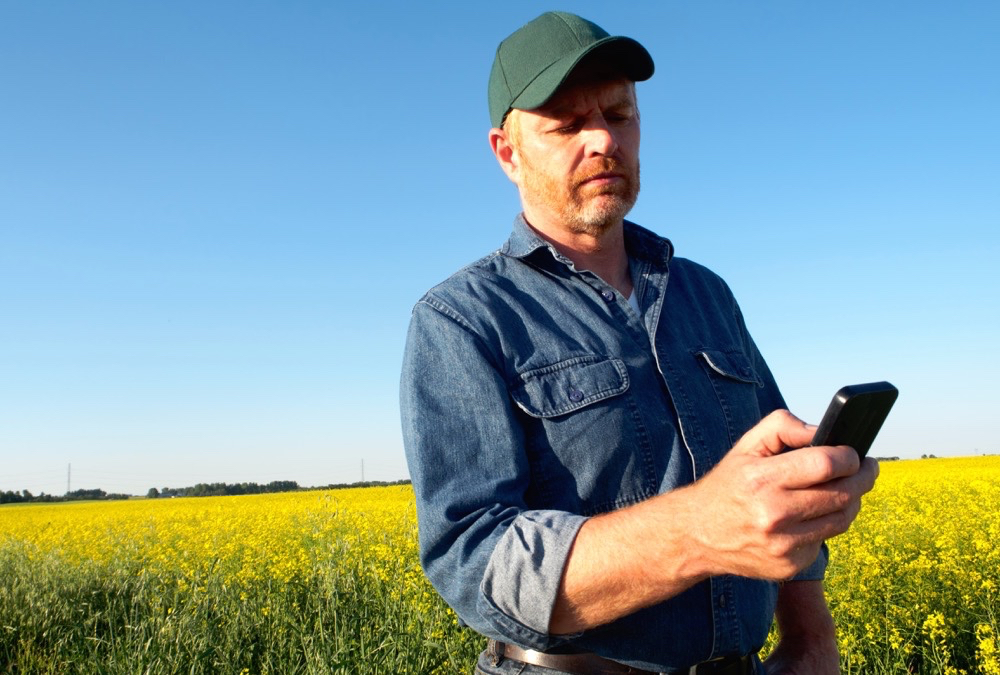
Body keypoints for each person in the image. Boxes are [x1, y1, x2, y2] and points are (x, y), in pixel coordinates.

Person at [400, 11, 879, 675]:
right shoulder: (460, 319)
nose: (602, 138)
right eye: (567, 123)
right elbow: (473, 558)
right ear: (507, 152)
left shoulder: (705, 293)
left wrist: (811, 639)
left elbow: (776, 483)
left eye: (619, 113)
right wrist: (697, 529)